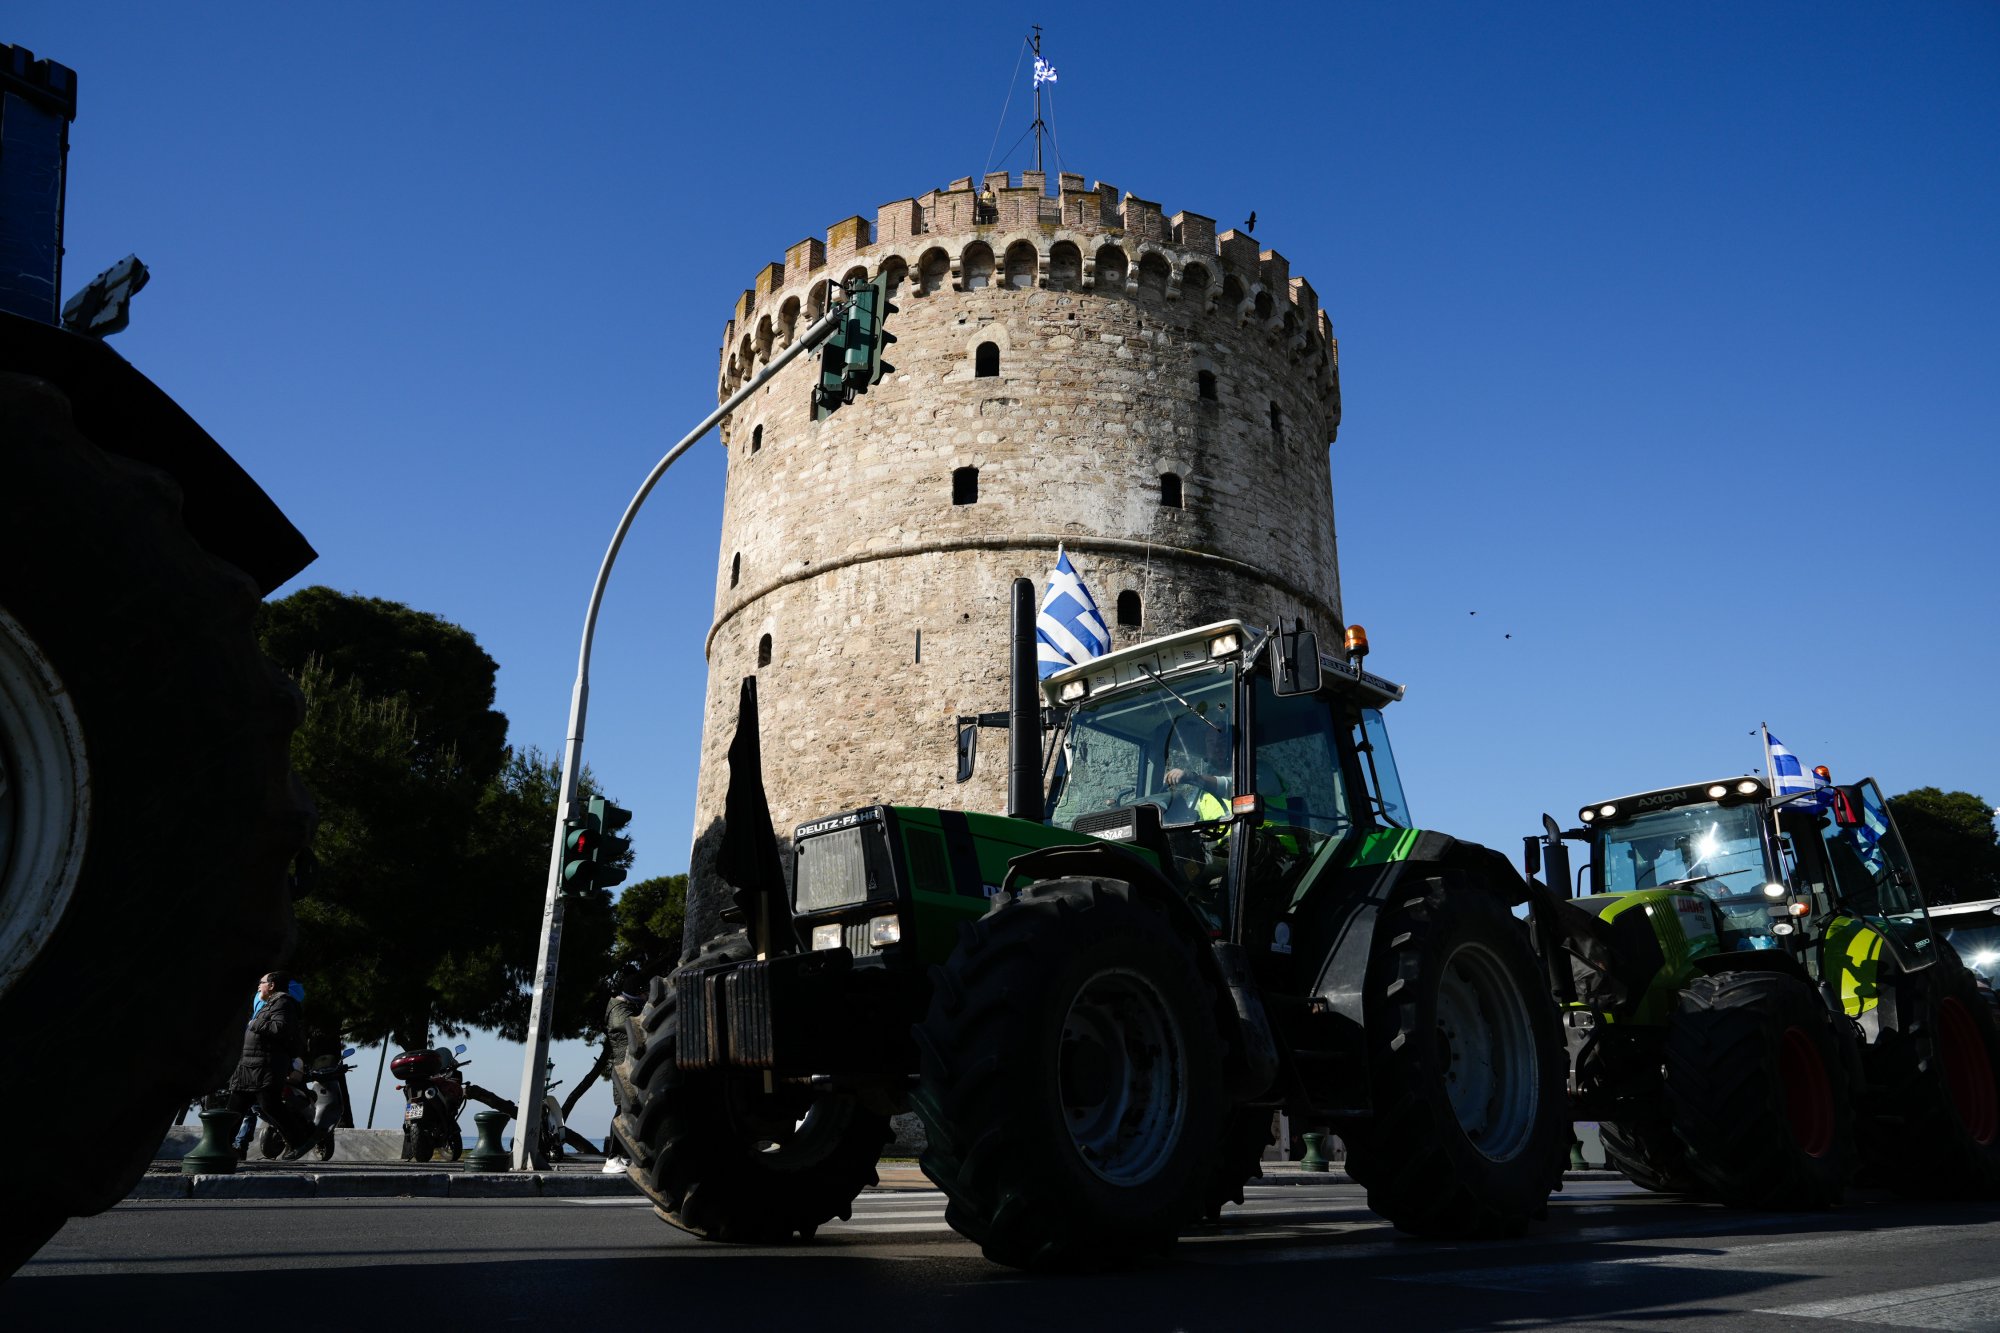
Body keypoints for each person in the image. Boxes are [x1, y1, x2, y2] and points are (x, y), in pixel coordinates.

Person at [227, 970, 320, 1161]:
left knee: (271, 1106)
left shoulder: (284, 1003)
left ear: (272, 985)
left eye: (262, 982)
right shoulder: (270, 1003)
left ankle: (299, 1140)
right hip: (249, 1066)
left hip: (265, 1066)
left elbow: (280, 1029)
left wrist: (254, 1024)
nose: (259, 985)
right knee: (235, 1108)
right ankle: (221, 1146)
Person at [600, 965, 646, 1173]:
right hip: (624, 1069)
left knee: (630, 1111)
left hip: (630, 1068)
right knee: (622, 1112)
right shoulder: (619, 1012)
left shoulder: (625, 1007)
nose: (646, 998)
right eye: (643, 994)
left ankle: (624, 1155)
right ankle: (612, 1158)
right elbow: (634, 1028)